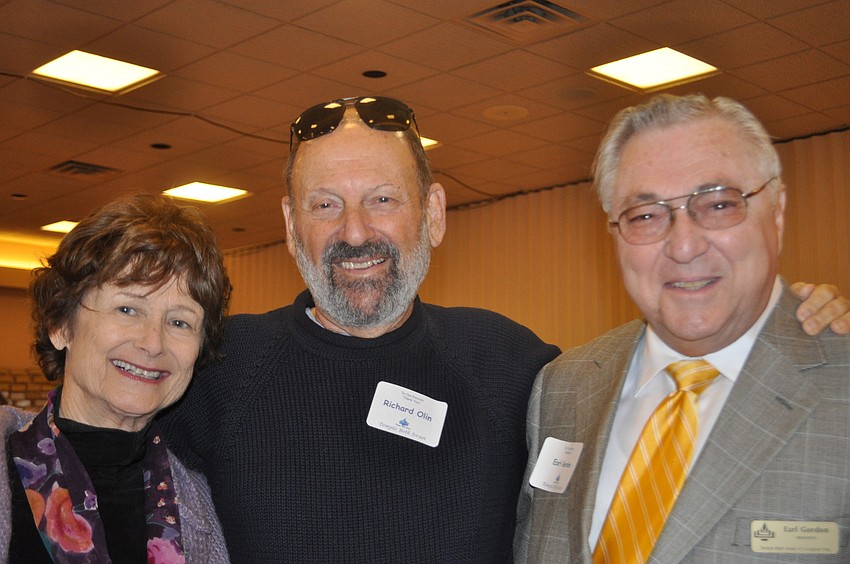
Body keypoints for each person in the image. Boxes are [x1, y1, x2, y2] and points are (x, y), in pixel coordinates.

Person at [159, 96, 850, 563]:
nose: (356, 231)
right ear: (288, 225)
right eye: (325, 205)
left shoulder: (521, 369)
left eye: (382, 200)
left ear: (433, 213)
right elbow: (94, 476)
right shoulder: (218, 367)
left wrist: (799, 326)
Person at [515, 94, 850, 563]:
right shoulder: (562, 386)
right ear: (614, 233)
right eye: (646, 215)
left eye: (717, 205)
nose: (684, 245)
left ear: (776, 211)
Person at [1, 194, 231, 563]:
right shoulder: (5, 471)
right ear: (60, 325)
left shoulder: (216, 501)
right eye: (127, 309)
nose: (153, 343)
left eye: (179, 322)